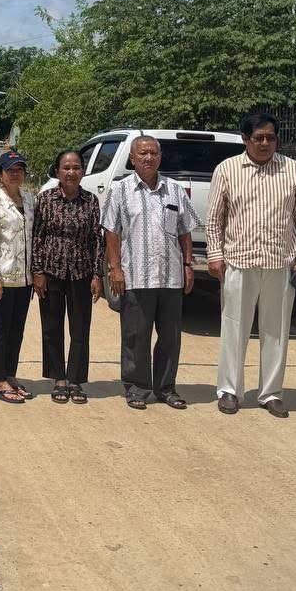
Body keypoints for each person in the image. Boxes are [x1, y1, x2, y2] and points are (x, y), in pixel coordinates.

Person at [206, 113, 296, 418]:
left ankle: (271, 393)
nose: (265, 143)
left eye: (270, 137)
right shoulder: (227, 170)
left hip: (281, 262)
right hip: (238, 262)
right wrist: (215, 255)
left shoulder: (293, 170)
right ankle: (230, 390)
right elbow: (215, 218)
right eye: (258, 138)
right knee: (234, 328)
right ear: (246, 140)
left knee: (276, 331)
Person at [102, 136, 200, 410]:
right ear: (132, 158)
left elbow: (184, 230)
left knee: (170, 337)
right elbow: (111, 232)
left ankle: (166, 388)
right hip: (135, 276)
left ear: (160, 156)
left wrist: (188, 265)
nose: (148, 158)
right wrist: (115, 269)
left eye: (153, 153)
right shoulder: (120, 190)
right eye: (143, 153)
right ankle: (137, 387)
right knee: (136, 336)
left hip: (170, 277)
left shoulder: (175, 190)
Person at [32, 150, 103, 404]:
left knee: (80, 328)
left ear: (82, 171)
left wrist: (97, 275)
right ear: (57, 171)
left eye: (76, 168)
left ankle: (75, 380)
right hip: (51, 272)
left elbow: (97, 240)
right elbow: (37, 236)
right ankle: (58, 378)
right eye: (66, 168)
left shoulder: (91, 201)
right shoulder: (45, 199)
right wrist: (37, 271)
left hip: (82, 272)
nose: (71, 172)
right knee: (52, 327)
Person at [0, 150, 36, 404]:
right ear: (0, 174)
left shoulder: (29, 199)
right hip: (1, 278)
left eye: (19, 170)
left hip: (25, 278)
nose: (15, 174)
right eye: (10, 170)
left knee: (17, 329)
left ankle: (10, 374)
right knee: (1, 328)